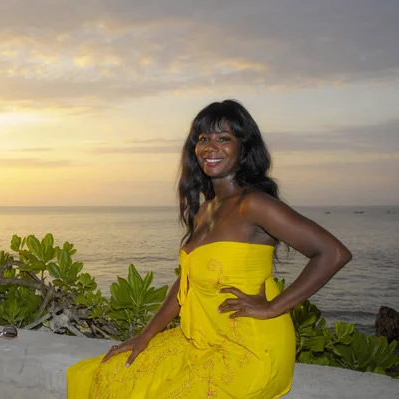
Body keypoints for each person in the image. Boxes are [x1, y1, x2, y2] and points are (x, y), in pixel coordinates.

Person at [66, 99, 352, 399]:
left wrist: (272, 306)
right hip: (201, 339)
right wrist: (145, 335)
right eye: (203, 139)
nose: (210, 147)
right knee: (106, 374)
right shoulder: (206, 211)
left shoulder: (254, 204)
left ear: (244, 148)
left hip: (249, 347)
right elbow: (184, 284)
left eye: (223, 139)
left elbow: (333, 253)